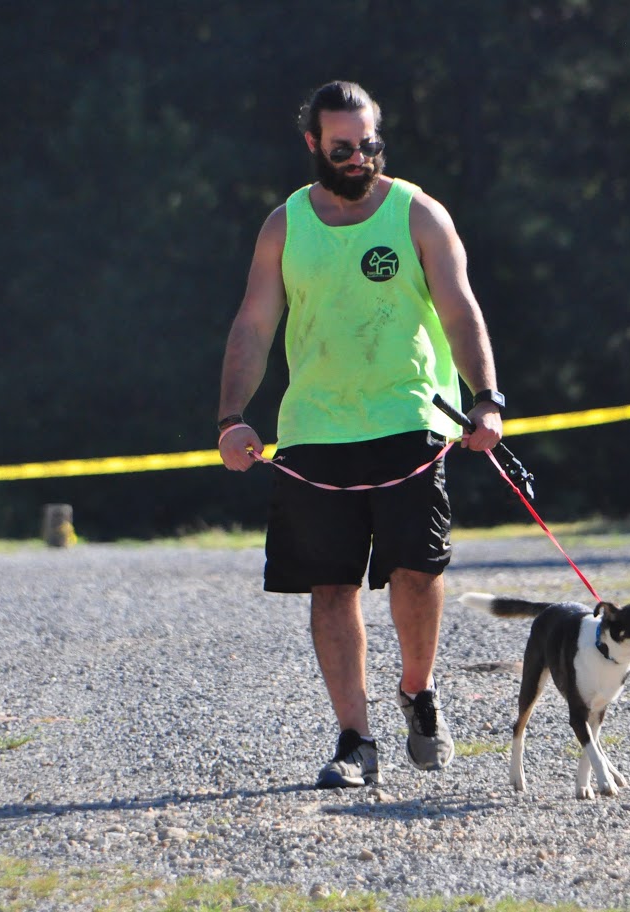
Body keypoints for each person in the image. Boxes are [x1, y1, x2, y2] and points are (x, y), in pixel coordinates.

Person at [216, 80, 505, 789]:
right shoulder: (285, 225)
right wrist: (231, 417)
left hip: (410, 418)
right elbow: (254, 324)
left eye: (367, 143)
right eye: (340, 146)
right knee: (330, 585)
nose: (356, 157)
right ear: (311, 142)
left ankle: (417, 690)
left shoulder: (418, 215)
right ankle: (355, 739)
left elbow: (460, 311)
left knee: (417, 569)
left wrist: (485, 400)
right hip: (314, 430)